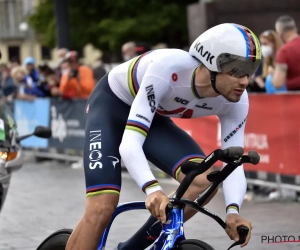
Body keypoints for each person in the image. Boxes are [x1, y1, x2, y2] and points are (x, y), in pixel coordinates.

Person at [65, 23, 261, 250]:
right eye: (236, 69)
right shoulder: (169, 68)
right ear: (210, 61)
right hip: (111, 106)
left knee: (204, 182)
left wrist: (233, 211)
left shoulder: (236, 101)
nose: (245, 81)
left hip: (152, 115)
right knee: (102, 206)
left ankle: (132, 248)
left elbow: (234, 164)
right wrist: (152, 189)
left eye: (250, 70)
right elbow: (130, 143)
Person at [272, 15, 300, 90]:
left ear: (279, 33)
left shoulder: (284, 51)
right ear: (295, 29)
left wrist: (273, 73)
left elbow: (278, 83)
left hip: (296, 97)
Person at [258, 30, 286, 94]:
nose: (263, 47)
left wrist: (275, 74)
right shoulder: (267, 61)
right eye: (262, 44)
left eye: (265, 44)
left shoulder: (283, 59)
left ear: (274, 43)